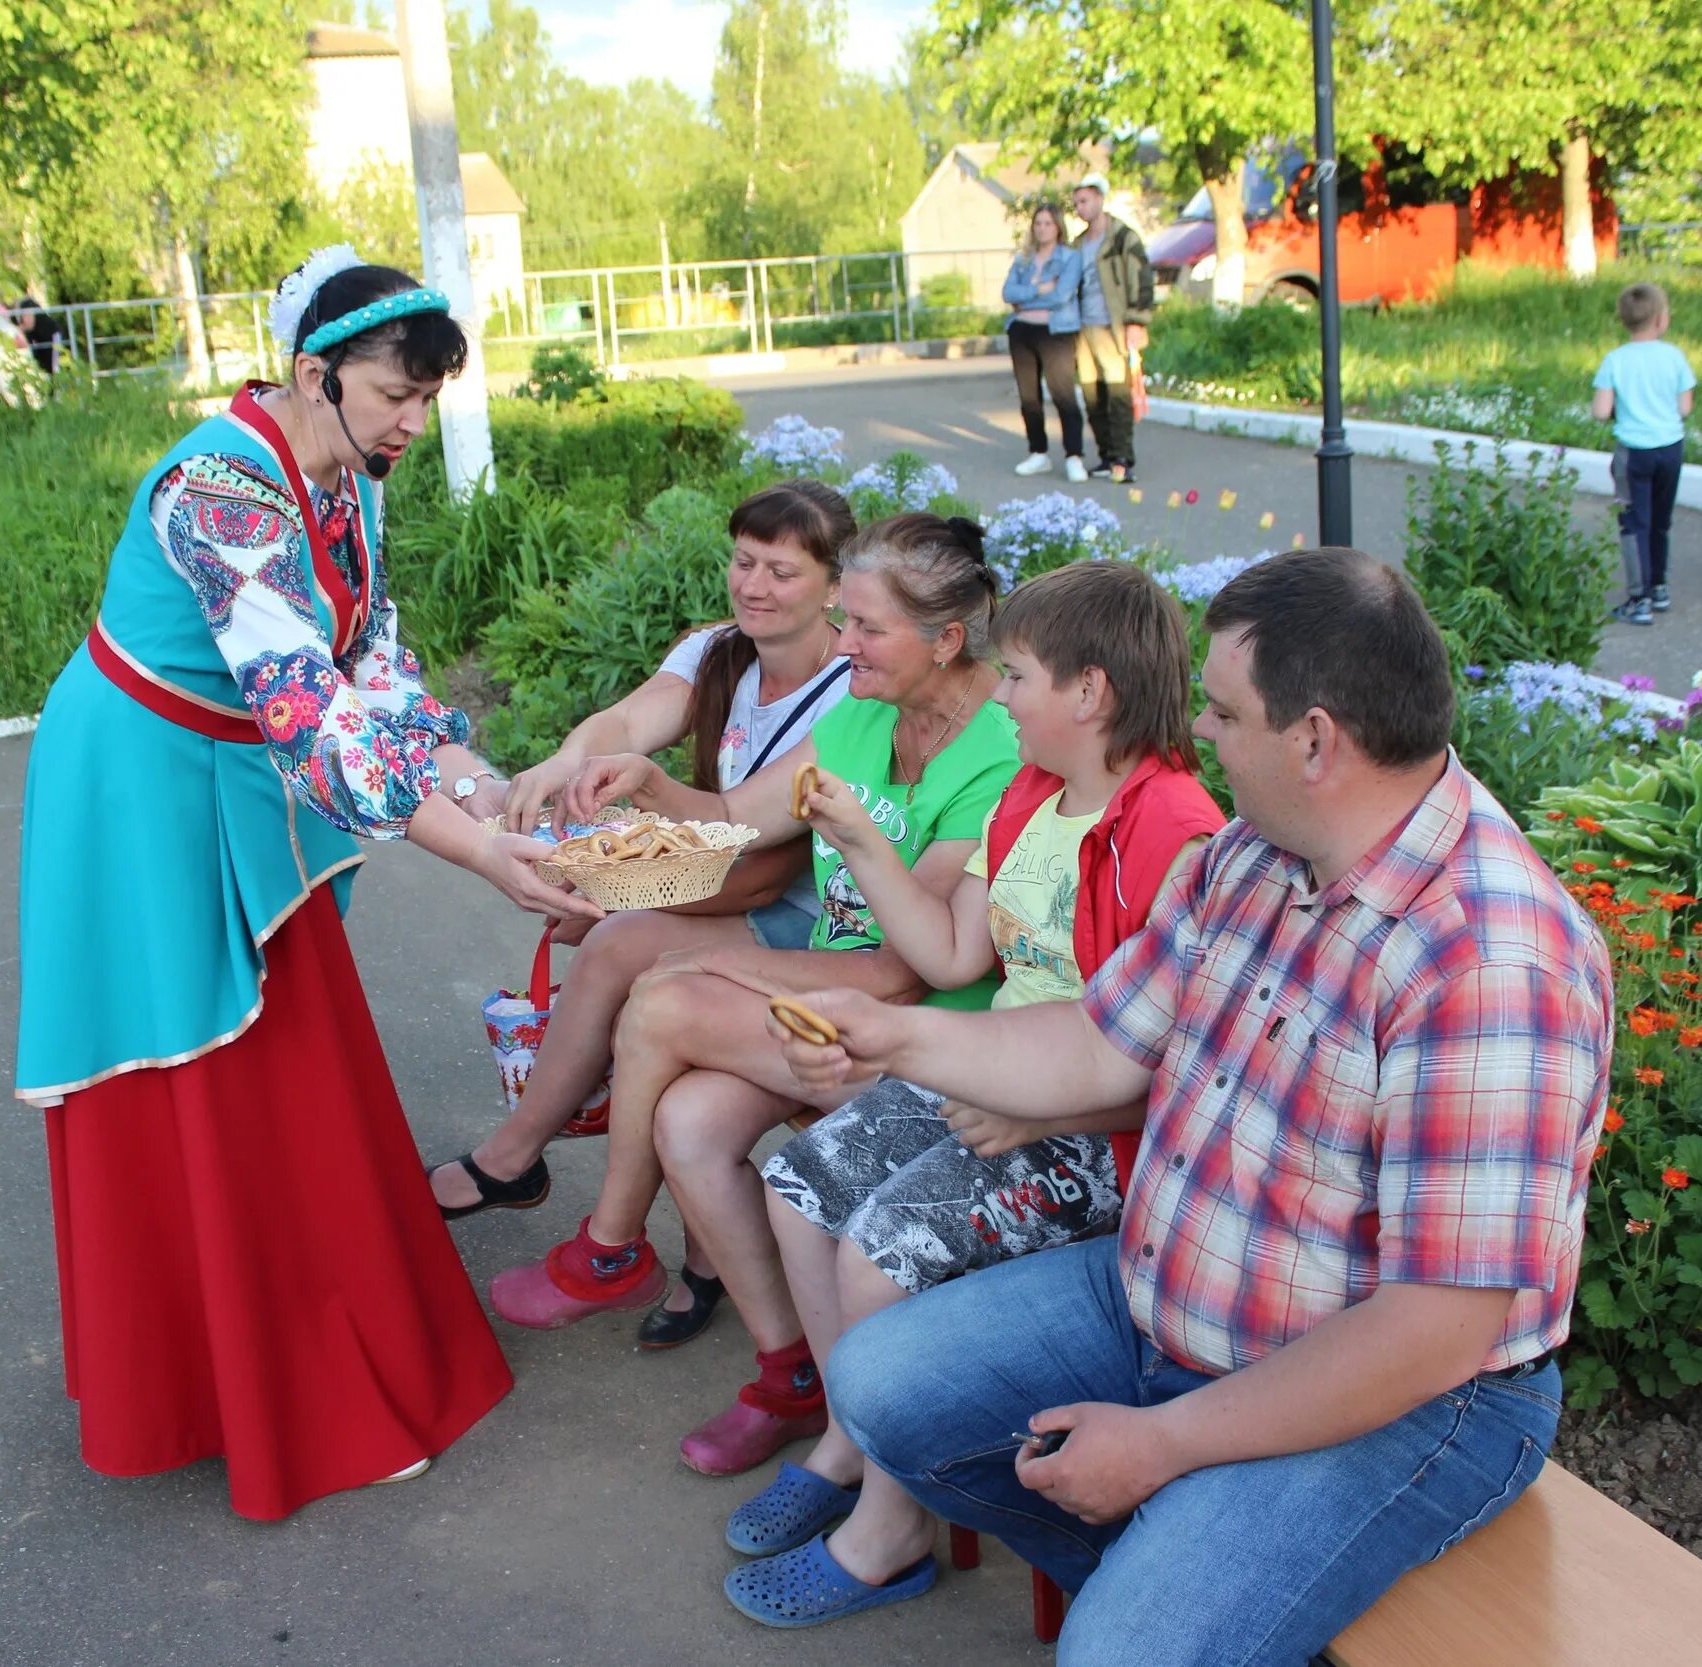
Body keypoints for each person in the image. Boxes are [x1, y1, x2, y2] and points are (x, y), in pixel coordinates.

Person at [774, 547, 1615, 1665]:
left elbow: (1435, 1330)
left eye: (1224, 712)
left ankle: (1180, 1587)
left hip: (1409, 1400)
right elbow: (1097, 1043)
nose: (1201, 731)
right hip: (1172, 1299)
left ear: (1314, 739)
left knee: (1121, 1652)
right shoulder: (1255, 858)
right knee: (884, 1388)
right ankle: (1180, 1578)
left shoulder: (1491, 956)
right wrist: (901, 1038)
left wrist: (1164, 1442)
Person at [15, 248, 587, 1519]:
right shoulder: (216, 492)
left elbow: (374, 666)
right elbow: (313, 720)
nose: (412, 422)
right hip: (138, 785)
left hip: (228, 769)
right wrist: (487, 855)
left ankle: (309, 1340)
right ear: (312, 371)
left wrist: (482, 779)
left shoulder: (345, 476)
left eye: (429, 399)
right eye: (396, 392)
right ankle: (239, 1381)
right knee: (207, 1072)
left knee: (287, 1060)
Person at [723, 560, 1227, 1628]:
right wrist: (861, 841)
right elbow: (955, 946)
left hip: (1098, 1125)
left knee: (879, 1248)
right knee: (797, 1181)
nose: (1000, 698)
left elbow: (1182, 1067)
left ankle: (890, 1526)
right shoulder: (1035, 796)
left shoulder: (1173, 831)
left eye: (1022, 677)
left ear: (1090, 693)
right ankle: (854, 1439)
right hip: (1006, 1068)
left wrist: (1050, 1109)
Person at [486, 514, 1023, 1479]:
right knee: (689, 1119)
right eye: (846, 621)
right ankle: (793, 1373)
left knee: (660, 999)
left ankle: (611, 1246)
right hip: (833, 1005)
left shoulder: (995, 752)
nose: (844, 646)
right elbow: (737, 816)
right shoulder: (861, 711)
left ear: (947, 639)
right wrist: (650, 782)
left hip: (930, 1040)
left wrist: (712, 969)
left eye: (866, 628)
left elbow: (911, 967)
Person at [427, 480, 859, 1350]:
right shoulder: (717, 652)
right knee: (611, 940)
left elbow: (750, 820)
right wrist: (568, 761)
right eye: (744, 561)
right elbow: (630, 718)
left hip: (812, 915)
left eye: (783, 569)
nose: (756, 585)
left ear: (836, 587)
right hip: (739, 887)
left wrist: (645, 806)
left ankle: (525, 1166)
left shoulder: (853, 687)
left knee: (623, 942)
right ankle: (683, 1256)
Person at [1592, 281, 1694, 626]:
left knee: (1635, 523)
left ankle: (1639, 598)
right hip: (1670, 447)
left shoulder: (1615, 360)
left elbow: (1601, 411)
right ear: (1661, 319)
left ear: (1624, 320)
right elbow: (1684, 407)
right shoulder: (1675, 357)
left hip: (1633, 451)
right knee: (1660, 522)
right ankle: (1659, 586)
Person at [1068, 172, 1155, 485]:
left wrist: (1137, 320)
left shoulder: (1122, 237)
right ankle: (1105, 455)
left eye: (1085, 200)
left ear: (1100, 199)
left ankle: (1122, 458)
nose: (1080, 207)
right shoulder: (1077, 244)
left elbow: (1142, 279)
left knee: (1118, 392)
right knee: (1092, 394)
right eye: (1076, 202)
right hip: (1083, 328)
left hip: (1113, 325)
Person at [1002, 203, 1089, 482]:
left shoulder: (1069, 257)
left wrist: (1024, 298)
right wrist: (1040, 289)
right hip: (1021, 331)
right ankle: (1038, 452)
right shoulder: (1024, 259)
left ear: (1058, 227)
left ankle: (1074, 455)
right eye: (1038, 223)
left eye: (1048, 223)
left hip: (1056, 332)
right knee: (1028, 396)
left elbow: (1062, 296)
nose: (1042, 229)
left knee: (1062, 393)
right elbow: (1007, 292)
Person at [13, 295, 64, 374]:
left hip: (57, 373)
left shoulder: (53, 330)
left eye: (24, 315)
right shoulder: (30, 333)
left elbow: (56, 360)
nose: (21, 321)